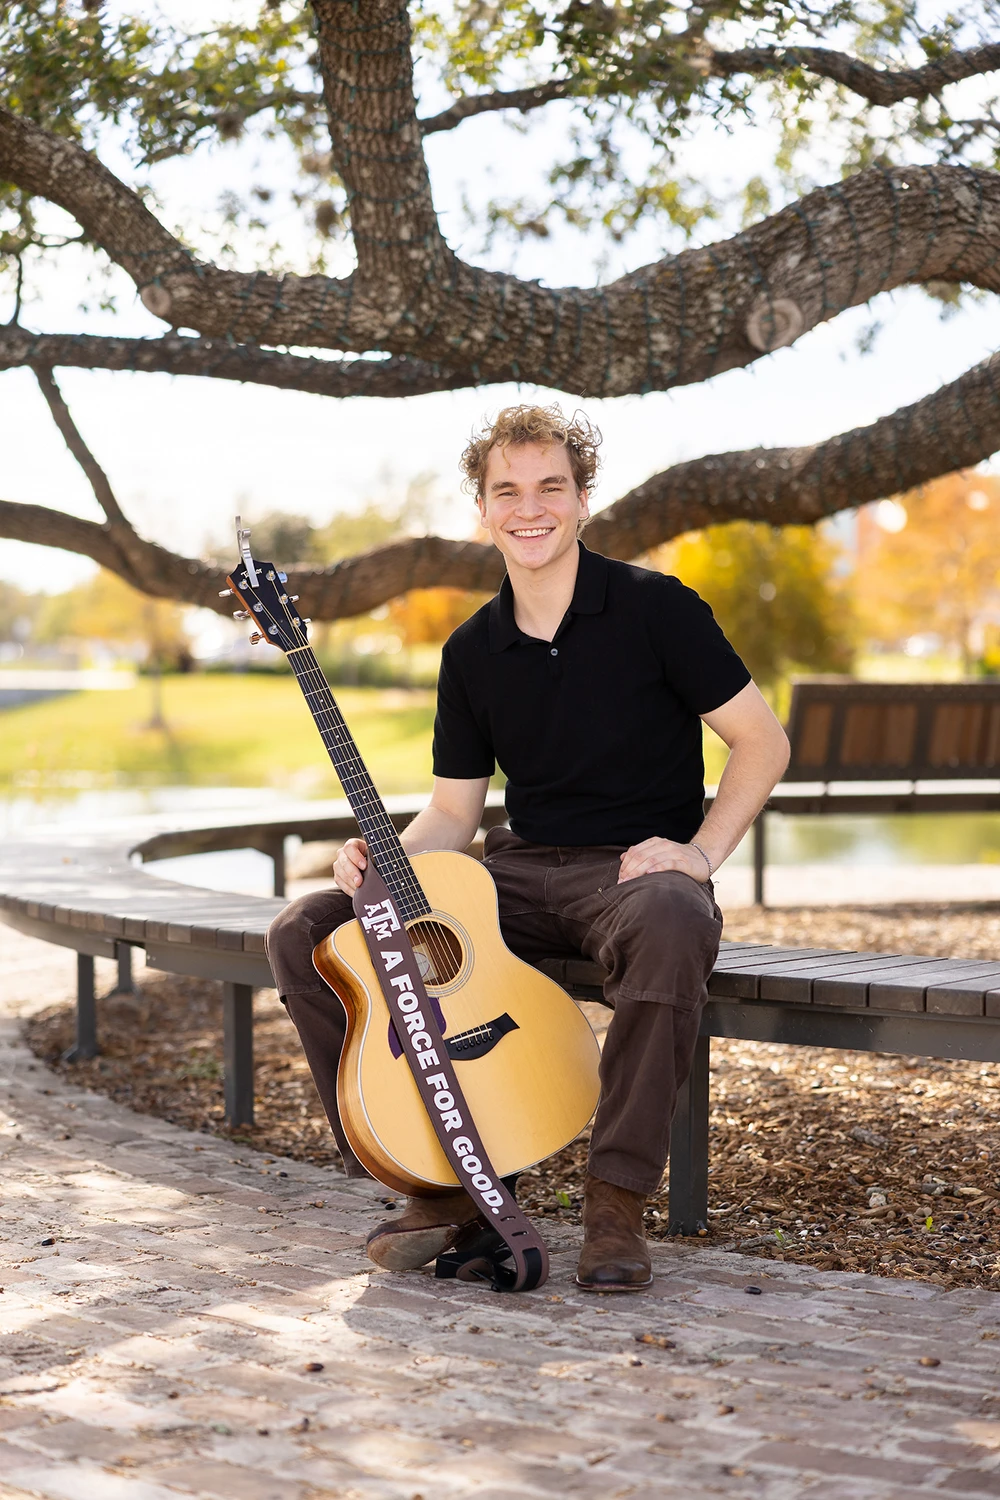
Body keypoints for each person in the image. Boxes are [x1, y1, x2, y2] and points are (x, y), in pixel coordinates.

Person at [266, 404, 790, 1291]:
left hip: (630, 874)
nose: (530, 507)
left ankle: (615, 1203)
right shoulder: (472, 648)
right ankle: (439, 1181)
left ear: (584, 500)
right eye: (506, 491)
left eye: (551, 486)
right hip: (512, 873)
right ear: (482, 511)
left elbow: (762, 741)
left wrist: (699, 855)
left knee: (673, 918)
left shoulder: (658, 608)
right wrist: (381, 858)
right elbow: (453, 813)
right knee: (308, 933)